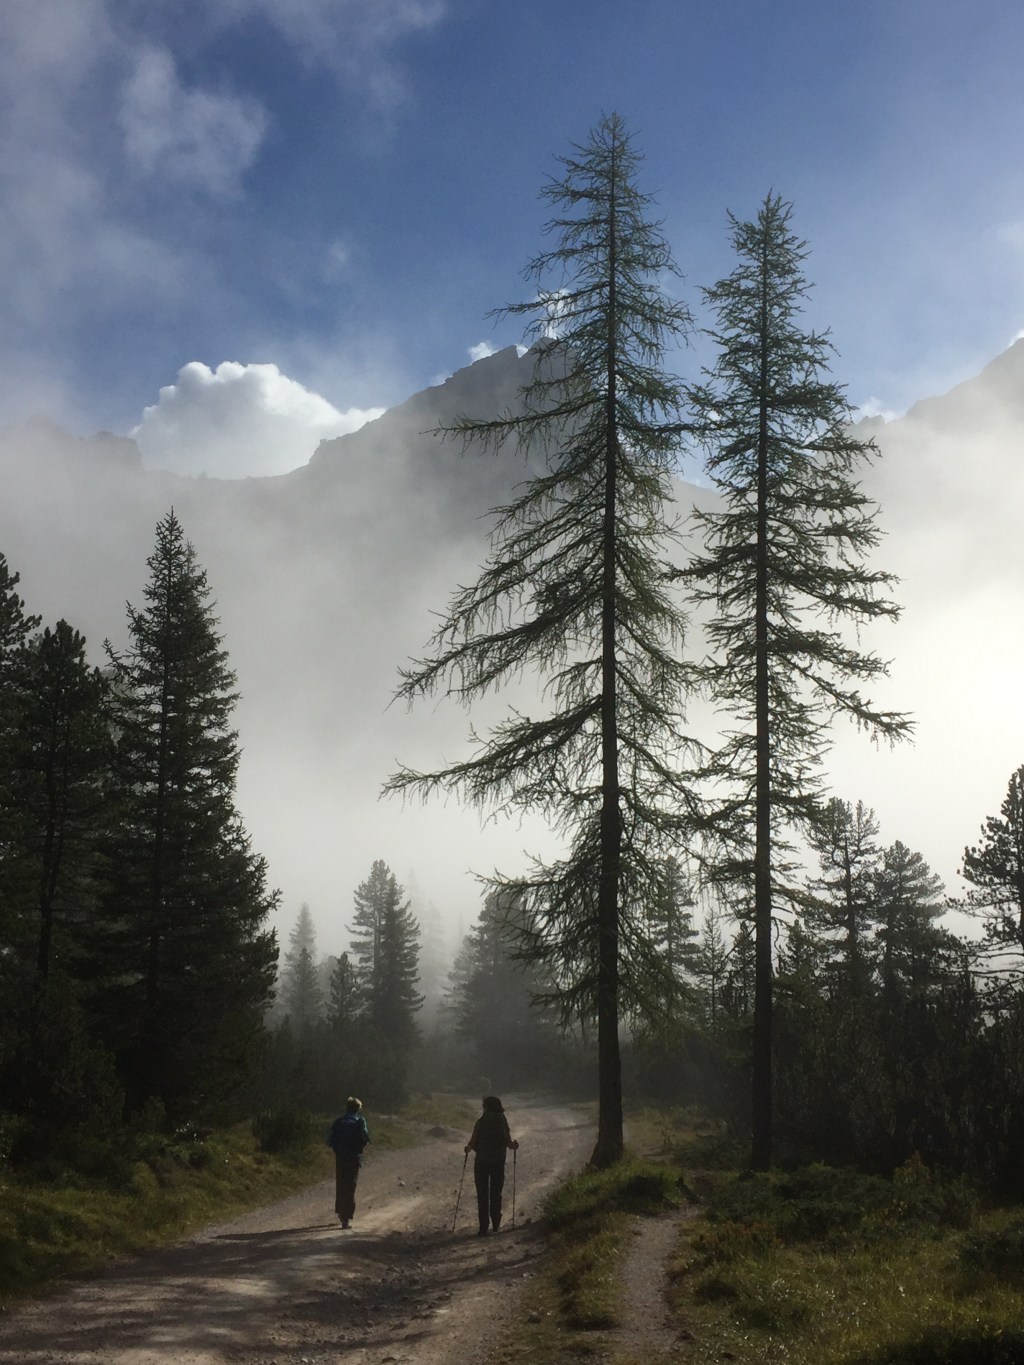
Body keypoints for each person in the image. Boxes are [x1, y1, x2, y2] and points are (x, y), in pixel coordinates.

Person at [465, 1094, 518, 1236]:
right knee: (496, 1193)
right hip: (498, 1162)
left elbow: (473, 1140)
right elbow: (508, 1142)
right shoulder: (502, 1120)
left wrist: (468, 1149)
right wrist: (515, 1146)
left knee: (482, 1194)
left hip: (481, 1162)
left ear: (486, 1107)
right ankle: (495, 1224)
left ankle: (483, 1227)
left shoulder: (481, 1121)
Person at [326, 1096, 370, 1229]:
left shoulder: (339, 1121)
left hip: (340, 1157)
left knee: (341, 1183)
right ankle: (346, 1217)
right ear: (358, 1109)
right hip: (354, 1157)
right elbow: (366, 1138)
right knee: (350, 1186)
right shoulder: (360, 1121)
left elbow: (329, 1140)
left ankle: (340, 1211)